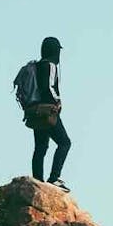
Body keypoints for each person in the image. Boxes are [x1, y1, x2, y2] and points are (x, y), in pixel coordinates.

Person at [29, 36, 71, 189]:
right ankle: (54, 178)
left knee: (40, 146)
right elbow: (49, 87)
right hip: (48, 111)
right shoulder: (51, 65)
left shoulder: (36, 66)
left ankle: (37, 181)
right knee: (64, 142)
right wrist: (58, 101)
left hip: (35, 111)